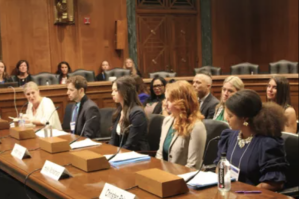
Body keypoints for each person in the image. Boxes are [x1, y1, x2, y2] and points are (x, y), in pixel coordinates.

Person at [214, 89, 288, 191]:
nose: (226, 118)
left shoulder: (267, 143)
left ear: (245, 118)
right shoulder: (229, 136)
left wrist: (244, 193)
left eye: (230, 115)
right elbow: (219, 166)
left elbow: (273, 183)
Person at [156, 81, 206, 168]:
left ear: (182, 102)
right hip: (165, 175)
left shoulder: (197, 127)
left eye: (169, 100)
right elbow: (160, 154)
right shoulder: (167, 121)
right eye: (165, 99)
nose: (165, 104)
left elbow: (193, 165)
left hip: (184, 178)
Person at [109, 76, 149, 151]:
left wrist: (115, 155)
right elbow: (113, 139)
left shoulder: (137, 113)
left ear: (125, 91)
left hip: (137, 155)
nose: (112, 94)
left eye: (115, 90)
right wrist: (108, 152)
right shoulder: (119, 111)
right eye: (112, 90)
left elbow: (131, 144)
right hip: (123, 153)